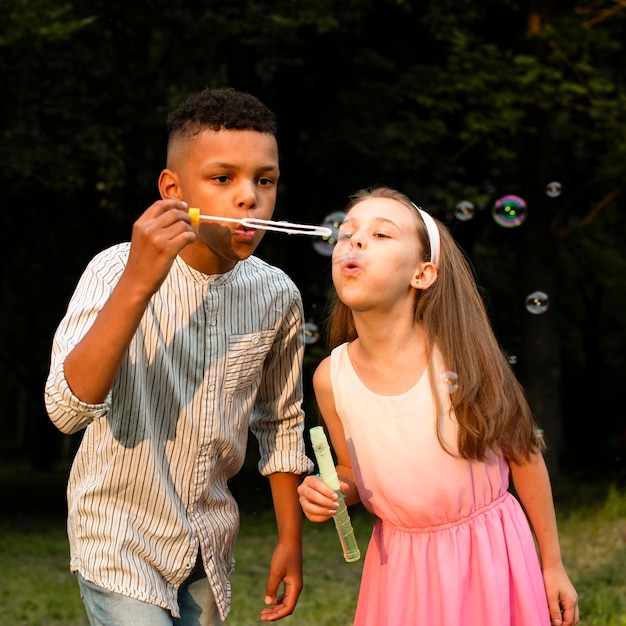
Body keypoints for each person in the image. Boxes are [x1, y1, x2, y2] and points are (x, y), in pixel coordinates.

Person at [44, 87, 314, 626]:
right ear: (173, 189)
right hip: (117, 537)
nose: (249, 198)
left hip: (208, 543)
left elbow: (281, 422)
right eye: (223, 179)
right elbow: (66, 410)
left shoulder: (277, 294)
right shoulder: (112, 270)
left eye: (265, 180)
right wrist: (138, 283)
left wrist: (291, 540)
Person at [297, 187, 579, 626]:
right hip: (402, 569)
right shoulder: (330, 379)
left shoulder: (462, 356)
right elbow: (351, 473)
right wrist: (330, 491)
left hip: (490, 554)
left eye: (381, 235)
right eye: (346, 233)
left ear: (423, 274)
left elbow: (523, 454)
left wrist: (552, 563)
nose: (353, 241)